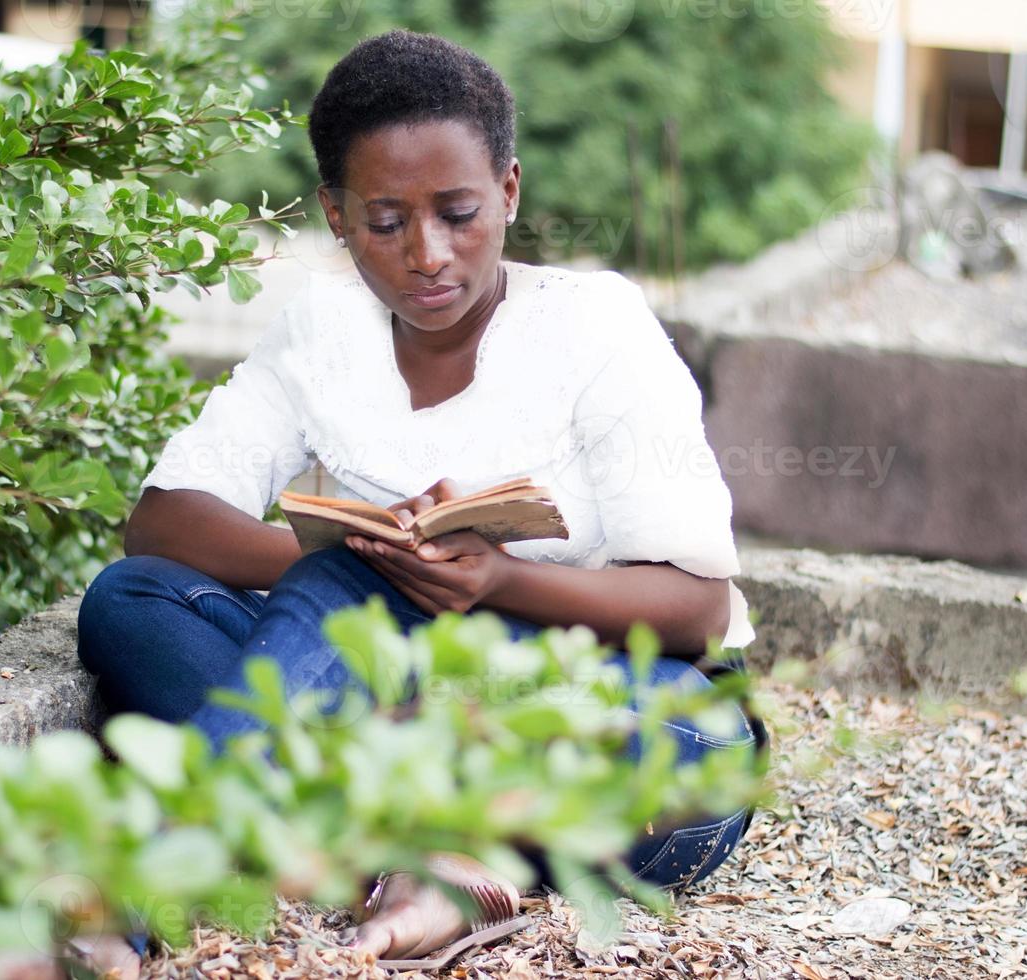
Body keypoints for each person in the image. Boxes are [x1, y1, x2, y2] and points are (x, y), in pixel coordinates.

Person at [72, 28, 766, 975]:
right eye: (386, 222)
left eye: (459, 212)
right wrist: (370, 568)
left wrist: (491, 581)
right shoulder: (324, 329)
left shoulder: (595, 327)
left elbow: (696, 609)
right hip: (375, 678)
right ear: (335, 215)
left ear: (510, 192)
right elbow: (162, 520)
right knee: (130, 600)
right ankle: (432, 860)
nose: (427, 254)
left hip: (605, 702)